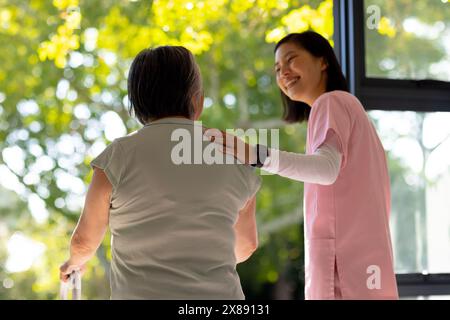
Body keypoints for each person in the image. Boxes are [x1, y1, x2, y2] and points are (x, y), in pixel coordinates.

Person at [59, 46, 261, 299]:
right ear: (196, 99)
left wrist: (73, 263)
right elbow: (246, 244)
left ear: (136, 104)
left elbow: (84, 242)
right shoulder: (235, 156)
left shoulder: (118, 156)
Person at [208, 31, 399, 300]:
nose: (283, 72)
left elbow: (325, 169)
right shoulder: (349, 110)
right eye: (277, 68)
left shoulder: (331, 102)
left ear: (322, 61)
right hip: (366, 266)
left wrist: (255, 154)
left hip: (344, 266)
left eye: (291, 60)